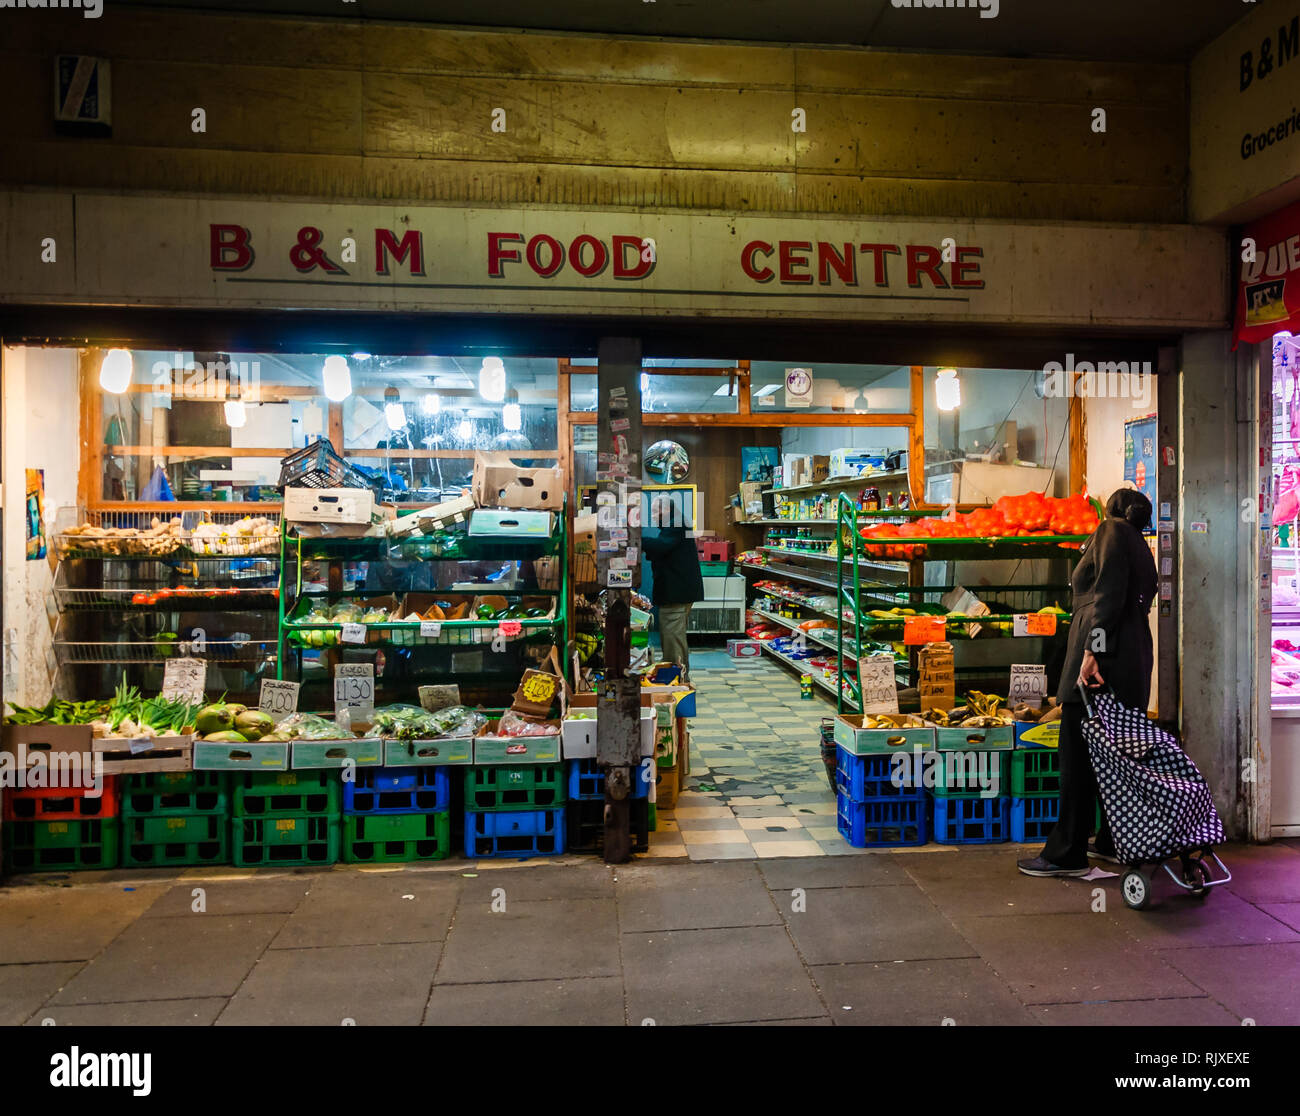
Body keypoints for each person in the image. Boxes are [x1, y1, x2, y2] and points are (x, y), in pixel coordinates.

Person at [1018, 488, 1158, 877]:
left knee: (1077, 755)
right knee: (1115, 754)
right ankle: (1114, 841)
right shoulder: (1141, 544)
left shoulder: (1111, 531)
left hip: (1103, 662)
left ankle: (1067, 854)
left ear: (1113, 508)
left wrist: (1093, 650)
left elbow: (1108, 594)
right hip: (1131, 658)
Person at [641, 497, 704, 682]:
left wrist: (635, 540)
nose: (653, 517)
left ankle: (677, 680)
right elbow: (664, 549)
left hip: (677, 593)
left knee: (673, 638)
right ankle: (677, 675)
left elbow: (662, 546)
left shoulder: (677, 524)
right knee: (674, 637)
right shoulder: (676, 523)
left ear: (666, 510)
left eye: (655, 512)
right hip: (678, 592)